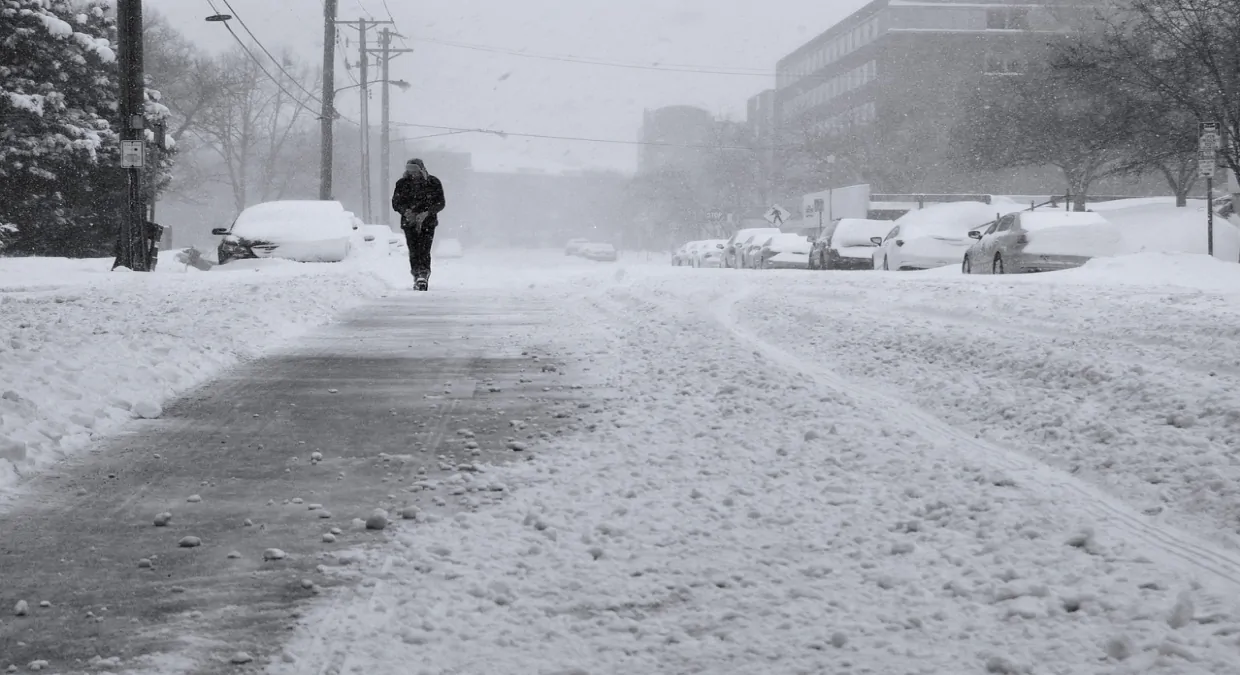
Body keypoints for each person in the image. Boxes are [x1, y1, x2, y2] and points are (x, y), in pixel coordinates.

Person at [391, 158, 446, 290]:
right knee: (414, 250)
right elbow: (396, 203)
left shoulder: (433, 182)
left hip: (428, 222)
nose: (412, 173)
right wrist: (406, 211)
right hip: (409, 222)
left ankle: (423, 274)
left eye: (414, 170)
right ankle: (416, 274)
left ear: (421, 169)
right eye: (409, 170)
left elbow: (440, 202)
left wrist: (427, 213)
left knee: (424, 249)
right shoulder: (402, 184)